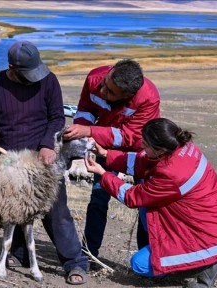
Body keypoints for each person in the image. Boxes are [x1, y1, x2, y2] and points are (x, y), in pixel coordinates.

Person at [0, 40, 88, 285]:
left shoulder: (48, 80)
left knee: (56, 211)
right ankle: (19, 253)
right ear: (12, 68)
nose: (34, 78)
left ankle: (74, 263)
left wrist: (47, 144)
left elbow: (57, 116)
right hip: (9, 159)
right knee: (13, 209)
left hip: (41, 159)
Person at [84, 118, 217, 288]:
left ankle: (205, 268)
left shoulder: (172, 173)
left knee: (140, 265)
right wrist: (107, 155)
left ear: (160, 150)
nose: (142, 147)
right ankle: (189, 261)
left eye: (145, 144)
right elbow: (143, 161)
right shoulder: (181, 147)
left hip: (208, 237)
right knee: (147, 208)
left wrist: (103, 173)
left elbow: (132, 196)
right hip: (211, 223)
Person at [62, 59, 161, 265]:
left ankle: (149, 258)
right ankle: (89, 254)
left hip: (140, 151)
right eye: (105, 82)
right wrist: (81, 131)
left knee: (146, 202)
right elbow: (85, 109)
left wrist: (90, 131)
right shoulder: (94, 78)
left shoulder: (148, 98)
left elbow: (131, 137)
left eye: (110, 91)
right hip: (101, 144)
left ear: (127, 95)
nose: (102, 89)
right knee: (98, 197)